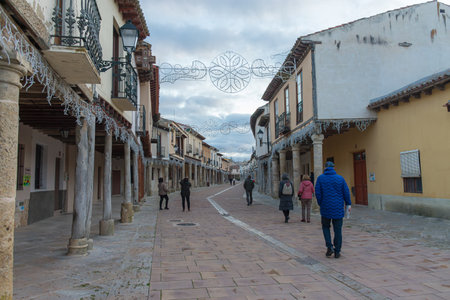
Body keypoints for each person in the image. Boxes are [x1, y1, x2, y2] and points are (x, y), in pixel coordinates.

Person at [315, 161, 351, 259]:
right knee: (338, 230)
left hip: (326, 207)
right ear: (334, 168)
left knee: (326, 227)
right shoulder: (340, 178)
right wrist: (348, 203)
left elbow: (318, 193)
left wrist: (321, 203)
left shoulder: (320, 178)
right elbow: (346, 192)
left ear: (325, 167)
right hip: (338, 207)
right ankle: (337, 251)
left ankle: (329, 246)